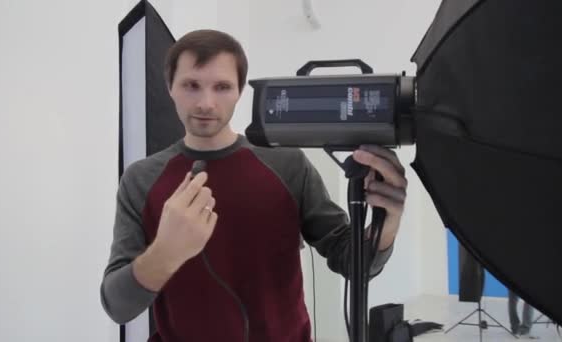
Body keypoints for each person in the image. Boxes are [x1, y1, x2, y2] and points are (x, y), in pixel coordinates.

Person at [100, 29, 408, 342]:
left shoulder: (287, 164)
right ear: (170, 88)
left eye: (222, 87)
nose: (206, 103)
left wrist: (387, 224)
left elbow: (350, 259)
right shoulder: (141, 179)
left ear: (239, 91)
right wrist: (166, 252)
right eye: (191, 85)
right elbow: (117, 305)